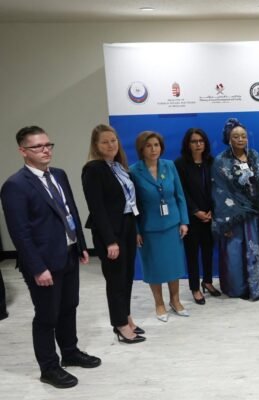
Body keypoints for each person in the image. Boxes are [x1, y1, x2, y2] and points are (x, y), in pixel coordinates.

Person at [1, 126, 100, 389]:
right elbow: (20, 232)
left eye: (48, 145)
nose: (45, 150)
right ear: (23, 151)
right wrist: (37, 268)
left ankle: (70, 352)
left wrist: (80, 244)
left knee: (69, 307)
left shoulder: (58, 174)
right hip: (43, 263)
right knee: (47, 315)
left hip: (68, 253)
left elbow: (70, 210)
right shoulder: (15, 185)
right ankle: (49, 367)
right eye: (37, 146)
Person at [82, 124, 145, 343]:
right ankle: (119, 325)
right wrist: (110, 241)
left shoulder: (118, 167)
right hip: (109, 232)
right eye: (105, 142)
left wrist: (134, 230)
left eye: (113, 140)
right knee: (116, 280)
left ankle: (126, 317)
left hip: (127, 226)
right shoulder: (93, 169)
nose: (111, 145)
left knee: (127, 277)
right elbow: (97, 208)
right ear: (96, 145)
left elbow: (129, 202)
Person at [130, 131, 189, 321]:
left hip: (172, 225)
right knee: (154, 267)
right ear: (141, 149)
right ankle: (159, 303)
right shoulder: (134, 171)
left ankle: (175, 300)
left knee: (174, 265)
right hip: (149, 228)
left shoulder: (169, 166)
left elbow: (179, 195)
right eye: (148, 146)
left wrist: (184, 221)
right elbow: (132, 205)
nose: (153, 149)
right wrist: (136, 230)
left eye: (156, 145)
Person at [211, 118, 259, 301]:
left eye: (243, 136)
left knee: (257, 251)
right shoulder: (221, 161)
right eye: (236, 136)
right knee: (235, 253)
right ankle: (238, 289)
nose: (240, 139)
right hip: (235, 216)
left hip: (256, 215)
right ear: (228, 138)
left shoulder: (254, 155)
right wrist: (227, 219)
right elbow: (220, 192)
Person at [175, 128, 221, 305]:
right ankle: (195, 288)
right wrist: (195, 211)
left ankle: (207, 282)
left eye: (201, 141)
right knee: (192, 254)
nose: (198, 144)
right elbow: (181, 192)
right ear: (188, 144)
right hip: (191, 217)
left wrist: (211, 210)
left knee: (208, 250)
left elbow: (217, 188)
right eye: (194, 141)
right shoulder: (180, 164)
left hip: (209, 215)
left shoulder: (212, 162)